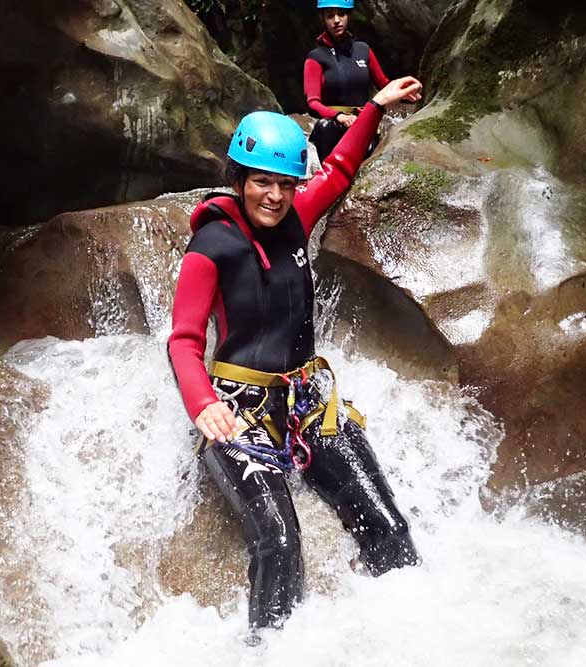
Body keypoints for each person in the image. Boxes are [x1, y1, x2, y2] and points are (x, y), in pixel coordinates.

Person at [168, 75, 424, 633]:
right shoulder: (210, 248)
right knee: (280, 544)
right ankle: (270, 650)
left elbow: (337, 173)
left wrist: (374, 109)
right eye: (262, 182)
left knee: (386, 523)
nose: (275, 197)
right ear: (239, 179)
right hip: (239, 413)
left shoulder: (295, 219)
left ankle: (413, 637)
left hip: (307, 401)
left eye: (285, 183)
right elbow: (184, 340)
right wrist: (202, 405)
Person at [304, 0, 417, 162]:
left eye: (341, 14)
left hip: (363, 123)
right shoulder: (316, 57)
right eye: (330, 16)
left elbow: (384, 85)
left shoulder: (363, 50)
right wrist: (339, 116)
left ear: (348, 16)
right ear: (323, 19)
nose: (336, 20)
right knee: (325, 128)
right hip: (332, 126)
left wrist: (405, 91)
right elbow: (313, 102)